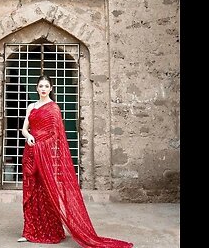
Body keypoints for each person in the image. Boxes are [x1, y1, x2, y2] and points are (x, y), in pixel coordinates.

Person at [18, 75, 134, 248]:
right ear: (36, 88)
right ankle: (30, 231)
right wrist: (29, 137)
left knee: (48, 191)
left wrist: (41, 143)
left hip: (45, 156)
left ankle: (51, 231)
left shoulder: (54, 109)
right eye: (40, 86)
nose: (43, 88)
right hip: (31, 153)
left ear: (51, 89)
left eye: (46, 86)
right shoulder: (31, 107)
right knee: (32, 192)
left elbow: (55, 136)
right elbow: (24, 129)